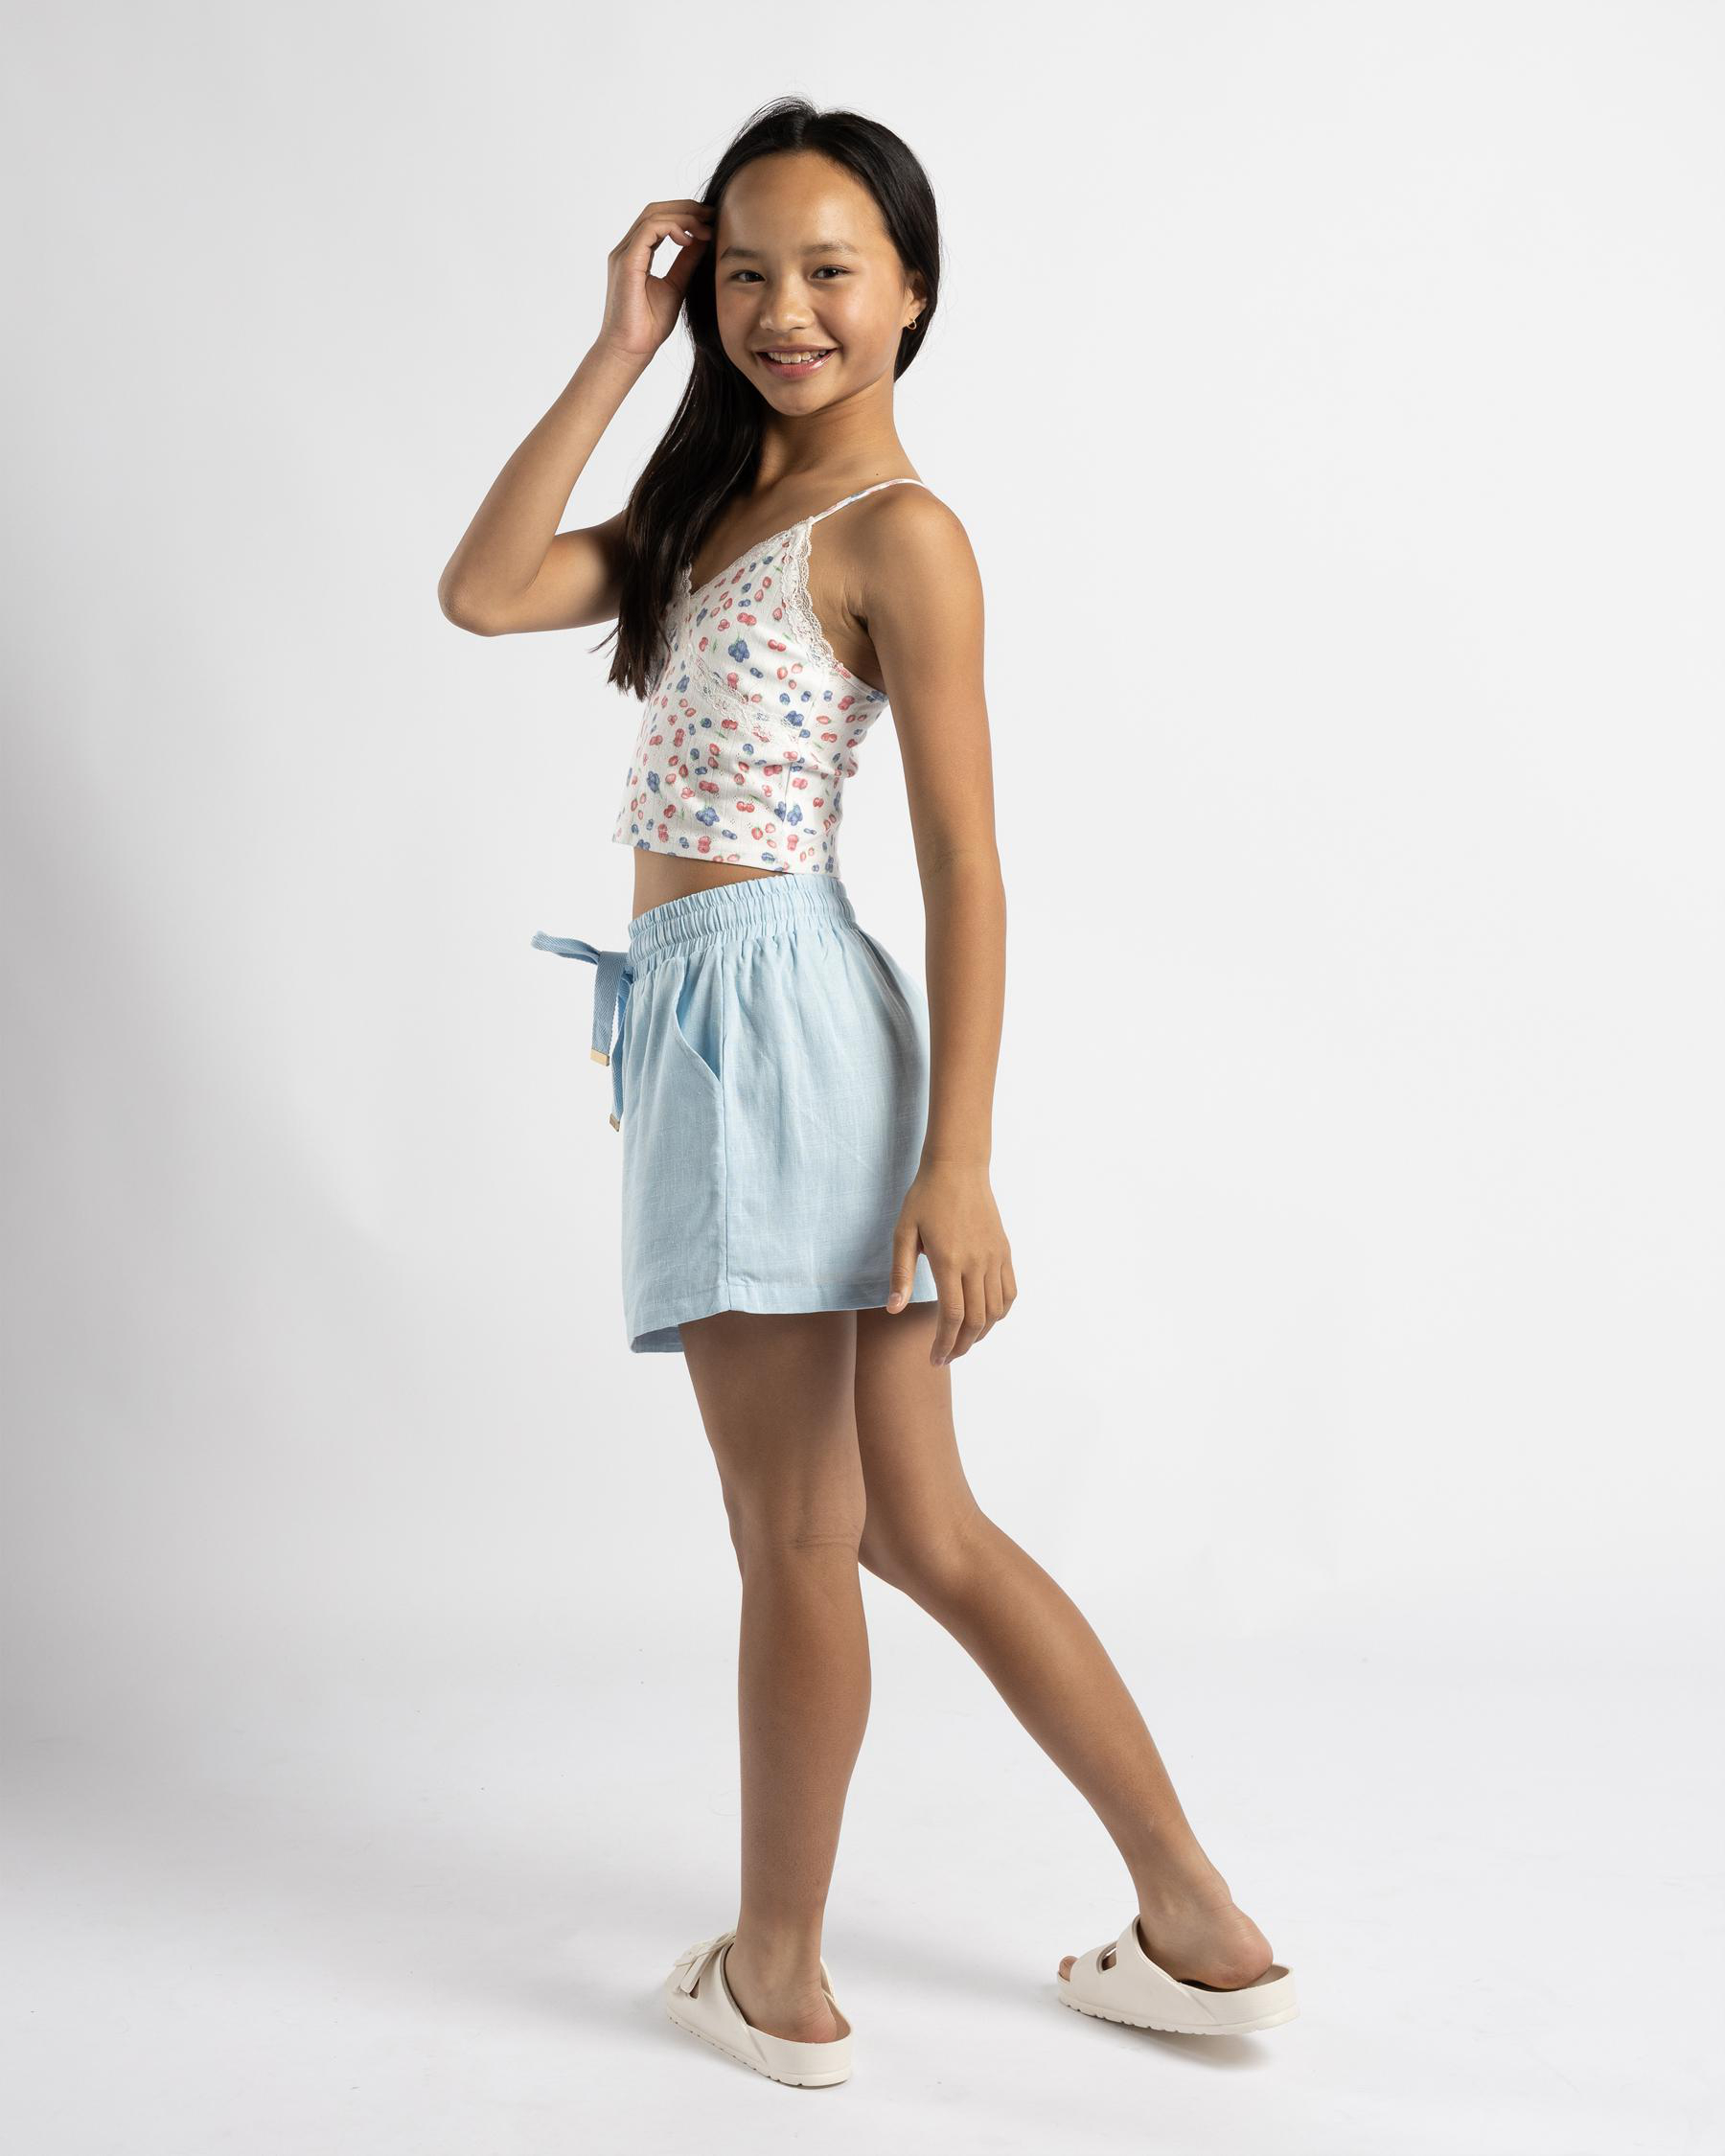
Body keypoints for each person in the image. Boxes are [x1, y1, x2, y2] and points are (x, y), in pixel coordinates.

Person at [438, 95, 1297, 2091]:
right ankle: (1199, 1927)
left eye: (831, 269)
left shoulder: (900, 534)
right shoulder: (705, 516)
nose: (784, 310)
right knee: (917, 1529)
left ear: (913, 290)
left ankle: (781, 1979)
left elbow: (969, 864)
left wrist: (961, 1162)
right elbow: (483, 590)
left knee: (798, 1535)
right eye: (744, 273)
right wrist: (615, 351)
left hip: (776, 1026)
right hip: (735, 1023)